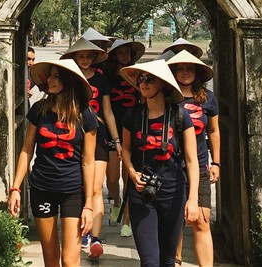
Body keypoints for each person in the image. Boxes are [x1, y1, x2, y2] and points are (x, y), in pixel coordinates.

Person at [9, 58, 98, 267]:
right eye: (50, 75)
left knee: (69, 260)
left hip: (72, 191)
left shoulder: (85, 115)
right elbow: (27, 150)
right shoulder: (39, 110)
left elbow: (89, 161)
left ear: (68, 81)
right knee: (50, 257)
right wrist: (15, 188)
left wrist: (89, 204)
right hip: (42, 187)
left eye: (56, 76)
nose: (50, 80)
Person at [120, 59, 200, 267]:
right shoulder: (132, 115)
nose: (143, 83)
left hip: (173, 193)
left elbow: (192, 160)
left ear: (163, 84)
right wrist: (132, 173)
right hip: (142, 193)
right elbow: (126, 149)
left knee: (167, 260)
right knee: (149, 261)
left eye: (149, 79)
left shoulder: (180, 116)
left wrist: (193, 199)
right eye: (140, 79)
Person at [61, 37, 118, 259]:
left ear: (94, 58)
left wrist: (116, 140)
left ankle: (95, 236)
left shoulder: (101, 80)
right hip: (73, 138)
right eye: (81, 56)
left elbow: (108, 111)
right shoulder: (69, 78)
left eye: (88, 56)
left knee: (95, 188)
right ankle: (80, 229)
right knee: (79, 187)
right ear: (74, 57)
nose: (85, 60)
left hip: (99, 137)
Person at [167, 50, 220, 267]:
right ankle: (175, 262)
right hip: (170, 167)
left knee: (201, 221)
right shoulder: (166, 97)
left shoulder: (207, 98)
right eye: (180, 68)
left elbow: (214, 131)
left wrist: (216, 162)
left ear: (197, 72)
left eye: (190, 68)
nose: (185, 72)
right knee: (174, 222)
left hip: (200, 165)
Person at [104, 37, 146, 237]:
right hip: (112, 129)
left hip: (134, 129)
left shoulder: (138, 77)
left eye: (127, 52)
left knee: (129, 175)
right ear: (114, 56)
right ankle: (116, 201)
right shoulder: (107, 78)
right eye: (120, 53)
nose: (124, 56)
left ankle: (127, 220)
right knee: (112, 177)